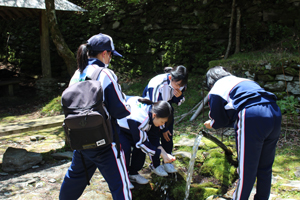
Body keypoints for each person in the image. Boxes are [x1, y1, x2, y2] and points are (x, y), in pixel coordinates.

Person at [59, 33, 132, 200]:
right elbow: (120, 110)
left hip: (80, 141)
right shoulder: (105, 74)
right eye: (111, 55)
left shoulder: (76, 74)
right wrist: (128, 103)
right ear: (105, 53)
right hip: (106, 143)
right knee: (121, 185)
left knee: (74, 179)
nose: (111, 58)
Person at [203, 66, 282, 200]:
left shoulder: (216, 88)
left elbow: (218, 119)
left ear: (210, 82)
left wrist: (212, 124)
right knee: (265, 166)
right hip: (274, 111)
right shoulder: (242, 81)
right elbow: (234, 114)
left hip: (252, 113)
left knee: (247, 168)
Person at [117, 96, 176, 184]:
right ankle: (122, 179)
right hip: (118, 125)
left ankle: (133, 173)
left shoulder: (154, 113)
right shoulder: (141, 120)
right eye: (162, 122)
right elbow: (142, 143)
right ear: (154, 115)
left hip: (132, 126)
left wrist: (164, 153)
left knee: (141, 148)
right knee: (126, 148)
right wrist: (161, 154)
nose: (162, 124)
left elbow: (154, 138)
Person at [142, 65, 188, 174]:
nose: (179, 87)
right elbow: (155, 110)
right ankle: (155, 164)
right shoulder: (157, 85)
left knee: (168, 137)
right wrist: (163, 128)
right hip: (152, 112)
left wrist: (179, 96)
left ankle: (168, 161)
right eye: (177, 85)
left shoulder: (180, 84)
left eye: (181, 85)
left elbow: (179, 102)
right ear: (171, 78)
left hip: (167, 109)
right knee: (154, 136)